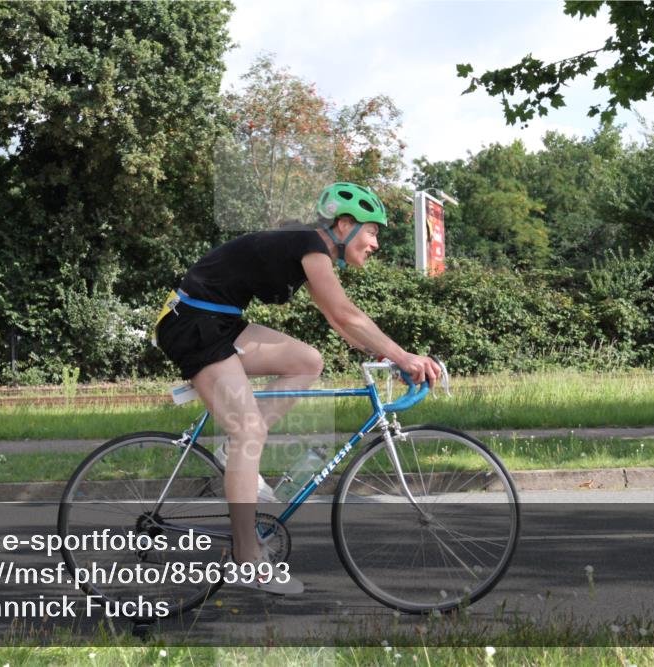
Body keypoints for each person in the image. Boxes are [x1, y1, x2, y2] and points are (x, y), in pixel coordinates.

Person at [154, 182, 442, 594]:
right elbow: (346, 314)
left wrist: (387, 357)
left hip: (217, 321)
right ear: (344, 225)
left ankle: (232, 450)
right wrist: (403, 356)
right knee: (248, 431)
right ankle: (246, 559)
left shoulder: (308, 250)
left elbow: (339, 321)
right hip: (194, 323)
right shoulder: (311, 244)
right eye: (373, 231)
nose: (376, 243)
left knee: (308, 361)